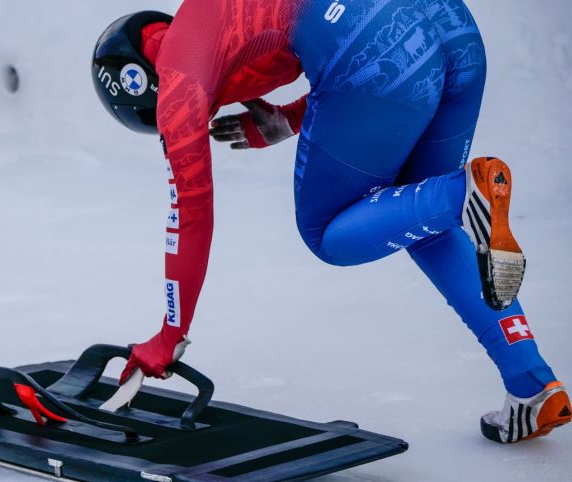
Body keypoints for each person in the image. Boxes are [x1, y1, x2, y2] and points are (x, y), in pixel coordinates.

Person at [91, 0, 570, 443]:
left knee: (329, 232)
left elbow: (191, 215)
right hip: (453, 28)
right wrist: (286, 120)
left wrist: (169, 335)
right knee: (419, 217)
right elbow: (340, 32)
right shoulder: (208, 20)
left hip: (375, 50)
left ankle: (461, 194)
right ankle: (531, 385)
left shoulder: (177, 77)